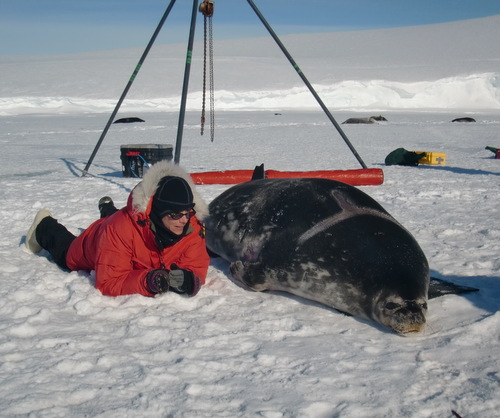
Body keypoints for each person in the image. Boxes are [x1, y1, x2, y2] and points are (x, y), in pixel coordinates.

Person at [25, 161, 210, 297]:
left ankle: (106, 208)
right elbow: (108, 282)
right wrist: (147, 281)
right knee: (69, 256)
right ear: (157, 213)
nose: (183, 220)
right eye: (175, 215)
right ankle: (43, 225)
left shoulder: (192, 226)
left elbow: (196, 265)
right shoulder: (118, 230)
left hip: (124, 225)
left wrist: (190, 279)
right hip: (101, 239)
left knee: (117, 218)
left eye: (187, 212)